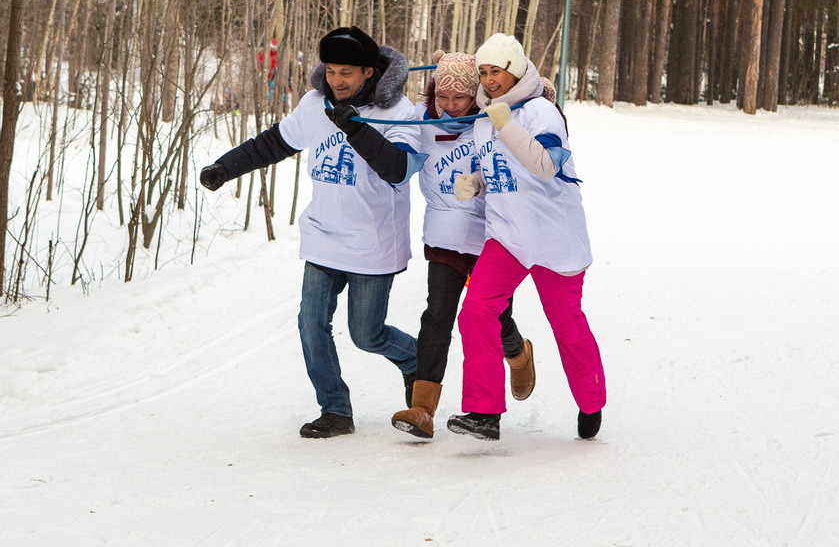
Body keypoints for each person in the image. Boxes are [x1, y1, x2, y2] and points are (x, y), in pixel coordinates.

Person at [199, 26, 423, 439]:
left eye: (347, 73)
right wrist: (225, 167)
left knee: (366, 334)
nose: (337, 81)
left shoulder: (400, 113)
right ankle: (335, 408)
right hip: (323, 235)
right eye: (332, 70)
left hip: (373, 243)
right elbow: (273, 143)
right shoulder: (314, 103)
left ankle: (414, 360)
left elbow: (400, 169)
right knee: (310, 323)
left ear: (369, 73)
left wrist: (356, 129)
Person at [445, 33, 605, 442]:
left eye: (495, 71)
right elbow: (503, 168)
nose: (488, 80)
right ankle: (484, 412)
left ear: (514, 70)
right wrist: (477, 183)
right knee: (476, 310)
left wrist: (506, 123)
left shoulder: (540, 112)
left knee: (567, 326)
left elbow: (545, 165)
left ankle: (591, 402)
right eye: (482, 72)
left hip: (554, 238)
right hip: (508, 236)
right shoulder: (486, 118)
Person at [390, 50, 536, 439]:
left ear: (475, 96)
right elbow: (389, 115)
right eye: (444, 98)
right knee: (436, 317)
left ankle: (518, 352)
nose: (452, 106)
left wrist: (471, 187)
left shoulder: (491, 121)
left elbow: (518, 160)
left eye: (461, 98)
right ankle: (423, 408)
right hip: (442, 237)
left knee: (491, 316)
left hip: (489, 237)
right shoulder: (420, 121)